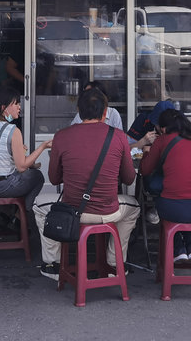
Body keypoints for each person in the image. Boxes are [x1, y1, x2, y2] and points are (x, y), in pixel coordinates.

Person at [33, 87, 138, 281]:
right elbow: (130, 178)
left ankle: (52, 264)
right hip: (109, 211)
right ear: (105, 112)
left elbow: (55, 179)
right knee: (134, 207)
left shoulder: (62, 136)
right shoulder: (119, 137)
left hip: (72, 211)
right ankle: (114, 265)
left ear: (79, 113)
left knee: (39, 206)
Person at [135, 108, 191, 263]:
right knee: (186, 204)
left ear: (163, 128)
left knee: (171, 206)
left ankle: (178, 248)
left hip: (173, 209)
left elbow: (145, 169)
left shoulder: (162, 140)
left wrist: (146, 152)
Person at [0, 86, 52, 219]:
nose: (19, 107)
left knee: (26, 173)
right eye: (15, 103)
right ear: (3, 108)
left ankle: (6, 213)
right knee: (37, 177)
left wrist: (26, 160)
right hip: (2, 186)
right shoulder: (12, 130)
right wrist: (43, 146)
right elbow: (21, 167)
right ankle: (18, 216)